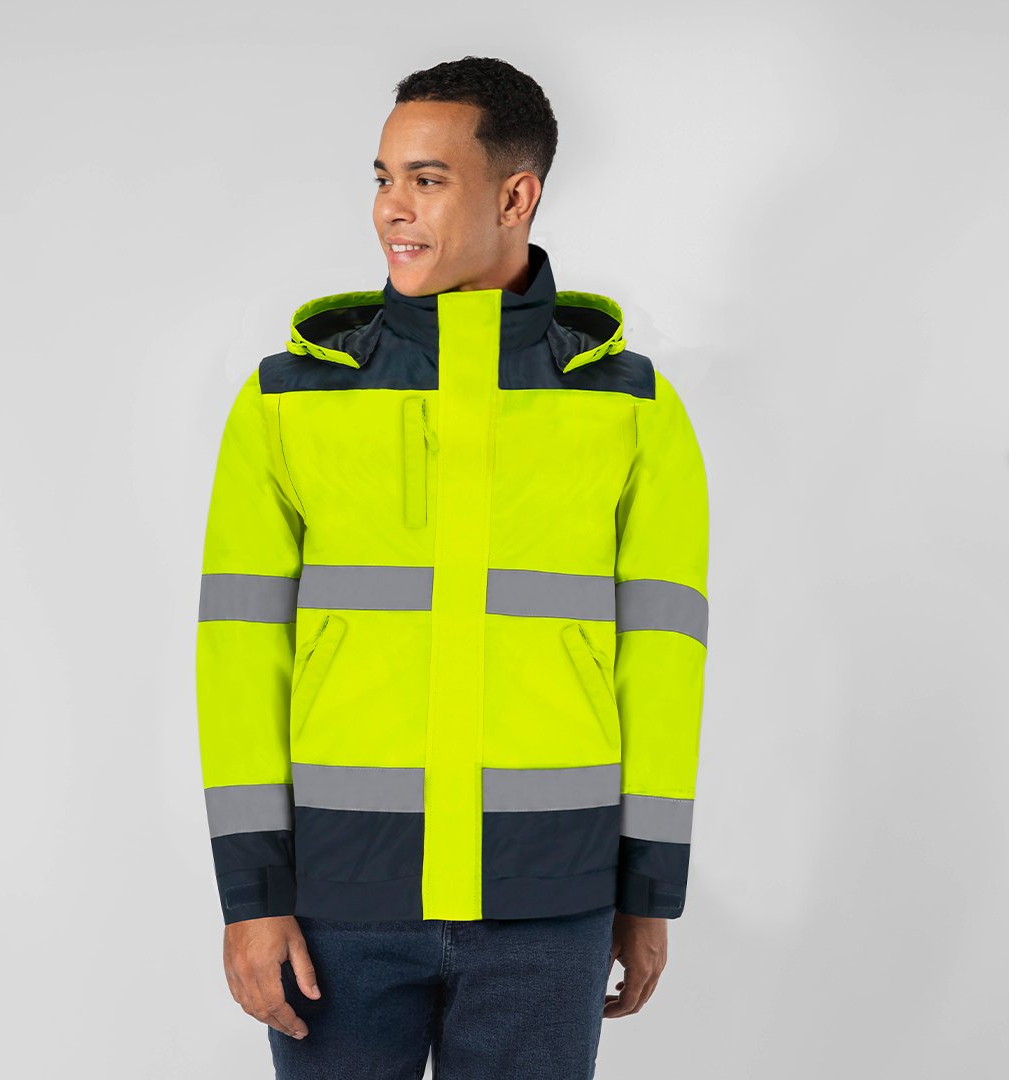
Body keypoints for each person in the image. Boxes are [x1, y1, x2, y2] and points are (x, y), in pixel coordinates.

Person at [195, 55, 710, 1079]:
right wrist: (252, 898)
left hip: (551, 904)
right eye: (384, 178)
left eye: (427, 180)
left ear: (516, 196)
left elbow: (662, 665)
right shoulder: (288, 403)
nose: (392, 207)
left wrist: (647, 889)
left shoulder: (630, 410)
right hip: (338, 903)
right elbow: (238, 662)